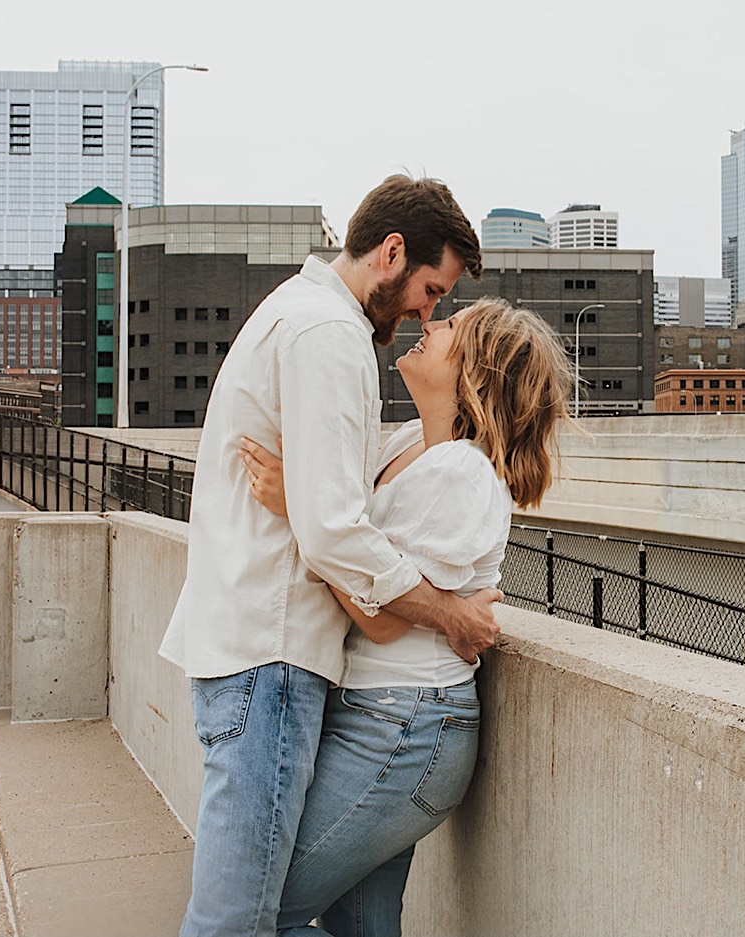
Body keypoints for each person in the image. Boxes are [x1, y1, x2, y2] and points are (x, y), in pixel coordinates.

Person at [159, 175, 501, 937]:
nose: (426, 312)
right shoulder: (330, 335)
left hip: (252, 648)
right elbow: (338, 532)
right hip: (272, 657)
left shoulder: (296, 312)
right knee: (237, 920)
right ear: (391, 251)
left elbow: (335, 510)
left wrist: (307, 503)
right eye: (430, 288)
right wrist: (450, 613)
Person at [238, 298, 572, 935]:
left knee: (254, 912)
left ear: (476, 371)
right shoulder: (410, 444)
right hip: (379, 718)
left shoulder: (461, 474)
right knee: (358, 925)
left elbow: (385, 619)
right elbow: (374, 574)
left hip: (402, 729)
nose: (431, 324)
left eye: (453, 329)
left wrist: (298, 512)